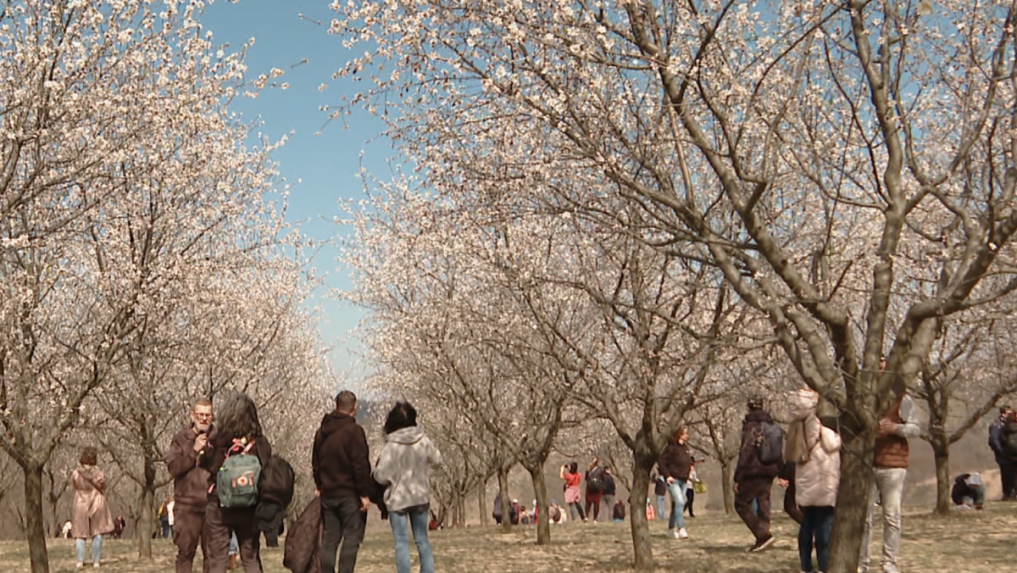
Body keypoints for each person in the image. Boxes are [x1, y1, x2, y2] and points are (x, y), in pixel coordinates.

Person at [858, 359, 921, 573]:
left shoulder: (903, 399)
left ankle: (888, 562)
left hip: (893, 465)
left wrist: (895, 428)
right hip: (867, 463)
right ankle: (862, 563)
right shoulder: (864, 398)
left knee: (891, 515)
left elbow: (915, 429)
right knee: (864, 518)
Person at [199, 392, 272, 573]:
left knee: (217, 558)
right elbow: (267, 469)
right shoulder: (260, 443)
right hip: (250, 506)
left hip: (220, 505)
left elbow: (205, 464)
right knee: (251, 556)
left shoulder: (218, 440)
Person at [373, 401, 442, 573]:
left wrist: (390, 478)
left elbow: (380, 476)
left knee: (401, 542)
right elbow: (437, 461)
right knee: (422, 540)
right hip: (420, 496)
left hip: (398, 499)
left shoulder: (390, 446)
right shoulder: (423, 440)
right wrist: (424, 474)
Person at [314, 390, 373, 573]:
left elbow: (316, 463)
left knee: (330, 539)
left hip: (328, 493)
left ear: (336, 406)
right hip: (350, 494)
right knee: (351, 538)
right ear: (354, 408)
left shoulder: (321, 433)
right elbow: (360, 465)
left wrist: (320, 486)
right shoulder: (354, 432)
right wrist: (364, 493)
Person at [787, 388, 841, 573]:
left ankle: (805, 566)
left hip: (804, 480)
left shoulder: (795, 426)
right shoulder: (819, 426)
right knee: (823, 528)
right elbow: (833, 444)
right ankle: (824, 566)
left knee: (806, 524)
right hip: (823, 481)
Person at [168, 397, 216, 573]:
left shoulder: (219, 439)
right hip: (186, 507)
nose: (204, 418)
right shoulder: (180, 439)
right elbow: (174, 468)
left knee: (213, 556)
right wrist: (193, 451)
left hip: (213, 506)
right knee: (185, 555)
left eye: (208, 415)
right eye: (200, 414)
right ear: (192, 415)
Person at [734, 397, 781, 552]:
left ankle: (763, 535)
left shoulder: (751, 427)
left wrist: (737, 477)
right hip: (769, 470)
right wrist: (781, 471)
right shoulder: (771, 425)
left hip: (753, 471)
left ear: (749, 408)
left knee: (741, 504)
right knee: (763, 501)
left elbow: (745, 452)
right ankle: (764, 536)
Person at [71, 446, 114, 568]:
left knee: (80, 533)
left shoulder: (76, 473)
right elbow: (104, 485)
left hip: (80, 502)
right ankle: (96, 561)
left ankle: (80, 561)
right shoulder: (99, 473)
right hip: (97, 501)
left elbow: (75, 485)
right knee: (98, 532)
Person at [657, 427, 693, 539]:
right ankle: (681, 528)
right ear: (679, 435)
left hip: (683, 480)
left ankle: (671, 529)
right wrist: (667, 475)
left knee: (676, 505)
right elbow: (661, 461)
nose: (687, 435)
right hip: (674, 480)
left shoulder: (685, 448)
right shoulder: (671, 448)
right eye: (685, 433)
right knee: (680, 502)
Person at [988, 406, 1015, 500]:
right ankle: (1007, 494)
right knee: (1006, 473)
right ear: (1003, 414)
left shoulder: (1011, 424)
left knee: (1012, 474)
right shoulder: (997, 425)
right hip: (1003, 455)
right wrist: (1000, 451)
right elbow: (994, 439)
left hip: (1011, 454)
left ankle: (1012, 493)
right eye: (1009, 413)